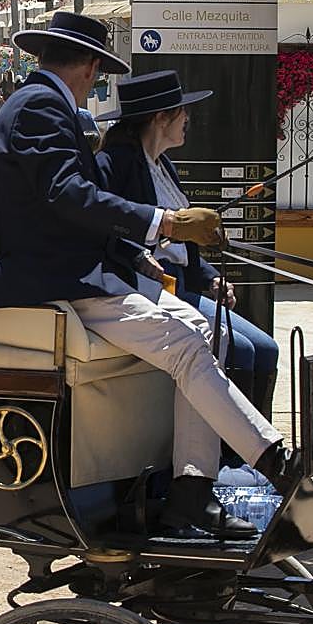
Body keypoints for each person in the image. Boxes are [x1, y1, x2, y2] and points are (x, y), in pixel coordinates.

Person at [0, 12, 300, 538]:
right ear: (88, 67)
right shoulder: (41, 106)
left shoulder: (39, 105)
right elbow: (67, 197)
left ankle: (192, 490)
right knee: (186, 340)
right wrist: (167, 224)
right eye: (98, 72)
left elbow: (67, 206)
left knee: (201, 332)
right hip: (60, 279)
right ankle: (271, 459)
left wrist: (136, 252)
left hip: (80, 272)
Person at [96, 70, 281, 422]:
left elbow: (183, 242)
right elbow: (105, 226)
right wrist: (137, 256)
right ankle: (234, 452)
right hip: (153, 289)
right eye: (182, 112)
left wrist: (211, 277)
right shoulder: (114, 164)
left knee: (266, 348)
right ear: (159, 118)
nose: (188, 120)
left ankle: (260, 451)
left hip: (185, 284)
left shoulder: (163, 165)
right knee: (240, 351)